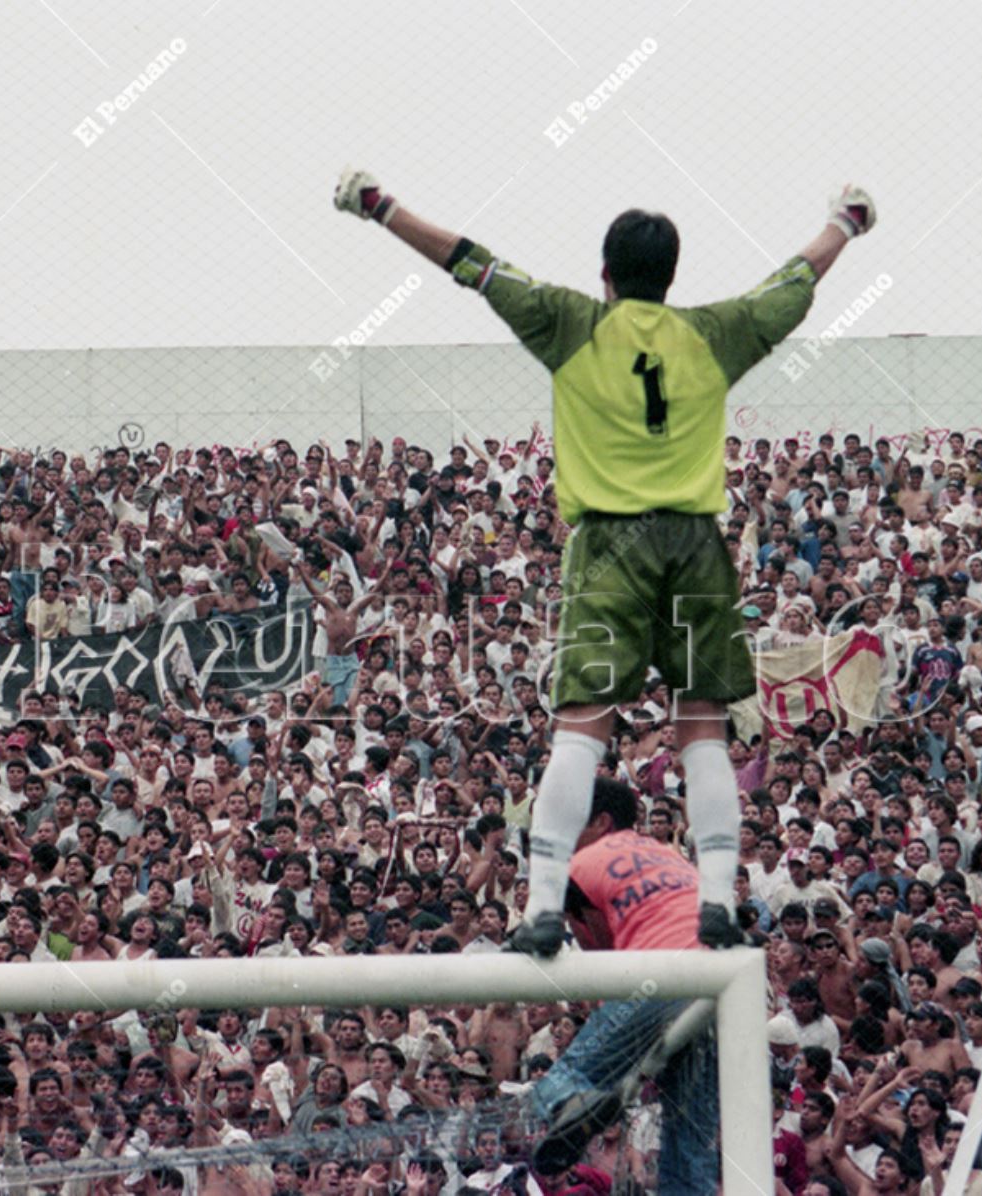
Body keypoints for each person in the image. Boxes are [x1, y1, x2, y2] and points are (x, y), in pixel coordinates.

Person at [334, 165, 878, 952]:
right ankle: (717, 903)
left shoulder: (568, 321)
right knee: (703, 731)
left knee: (580, 732)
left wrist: (381, 208)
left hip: (609, 549)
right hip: (694, 545)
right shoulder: (716, 331)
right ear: (672, 275)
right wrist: (847, 222)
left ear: (605, 272)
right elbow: (796, 278)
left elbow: (470, 262)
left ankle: (546, 908)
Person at [522, 777, 717, 1191]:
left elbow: (602, 961)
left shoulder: (576, 866)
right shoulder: (670, 855)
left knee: (560, 1085)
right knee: (689, 1145)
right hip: (718, 987)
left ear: (601, 822)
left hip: (658, 979)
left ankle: (573, 1105)